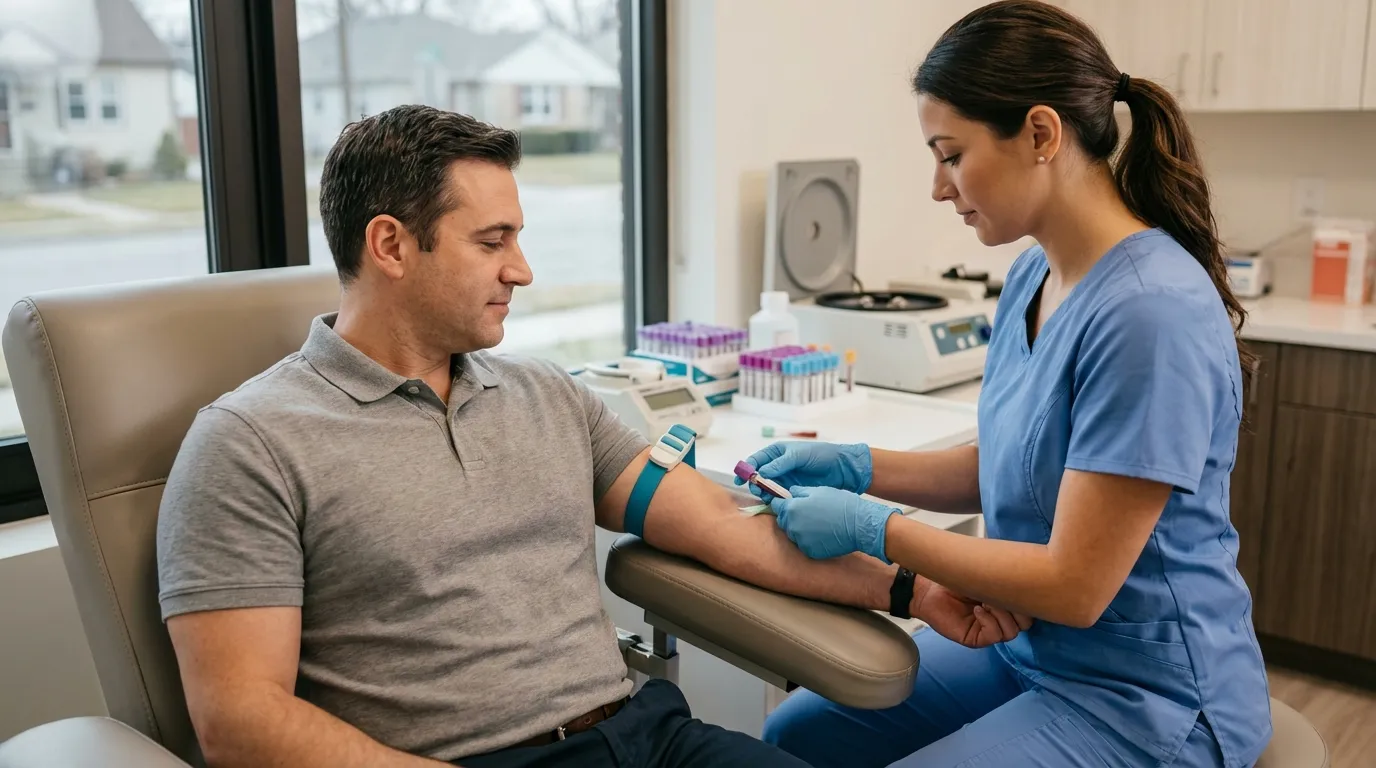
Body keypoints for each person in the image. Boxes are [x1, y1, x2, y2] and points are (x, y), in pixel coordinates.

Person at [154, 104, 1031, 768]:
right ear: (390, 244)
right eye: (492, 241)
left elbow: (727, 527)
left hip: (643, 737)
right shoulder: (250, 444)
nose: (522, 271)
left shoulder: (545, 397)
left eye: (519, 239)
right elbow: (239, 719)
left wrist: (914, 590)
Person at [747, 2, 1272, 767]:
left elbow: (1074, 584)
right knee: (794, 735)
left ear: (1040, 134)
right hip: (1028, 644)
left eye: (950, 154)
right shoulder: (1034, 273)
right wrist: (859, 464)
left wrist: (876, 529)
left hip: (1147, 694)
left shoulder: (1149, 313)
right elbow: (1013, 466)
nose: (937, 186)